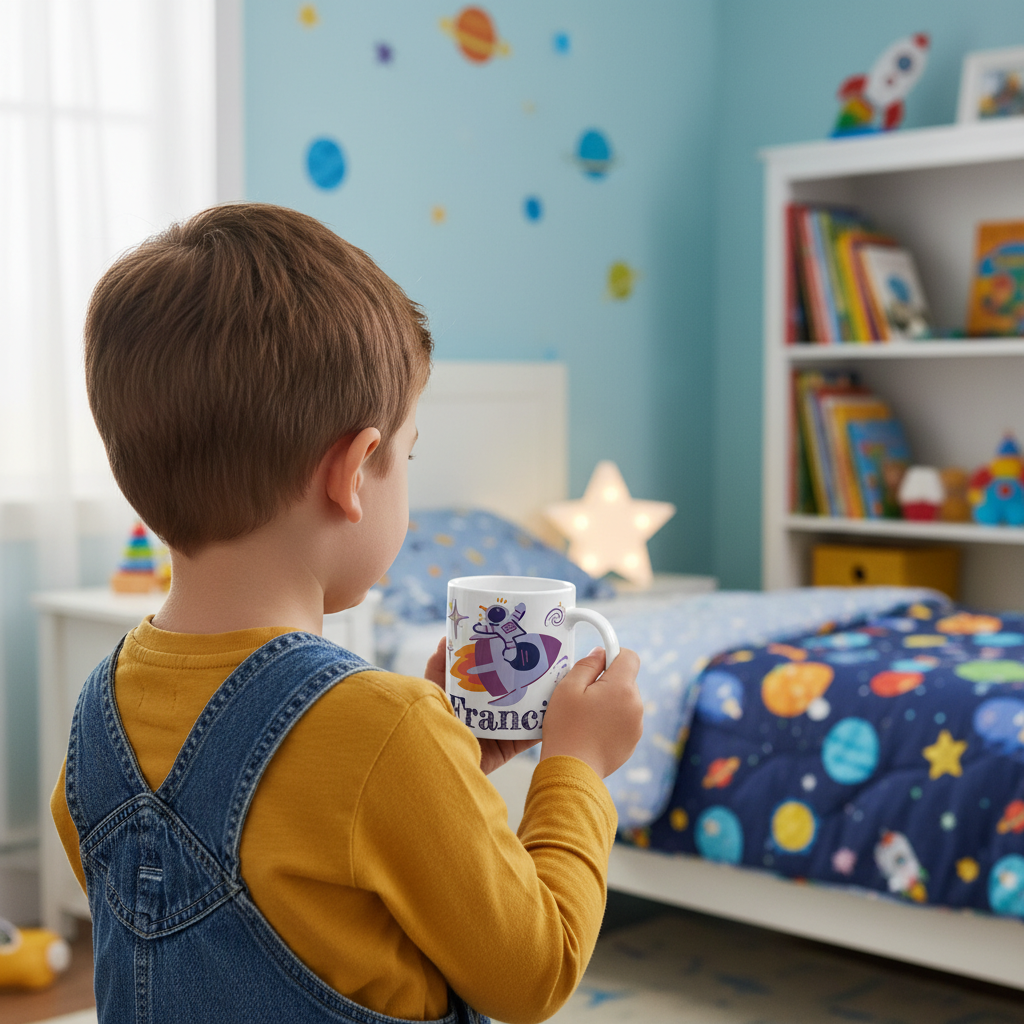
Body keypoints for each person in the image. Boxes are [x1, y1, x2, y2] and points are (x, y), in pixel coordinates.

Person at [50, 203, 644, 1024]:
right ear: (355, 472)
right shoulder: (386, 724)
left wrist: (449, 775)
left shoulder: (97, 708)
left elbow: (240, 892)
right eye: (407, 457)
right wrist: (575, 766)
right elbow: (533, 974)